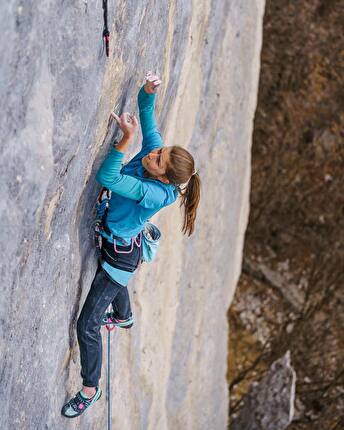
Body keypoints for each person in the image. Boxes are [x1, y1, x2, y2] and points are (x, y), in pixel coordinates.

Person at [61, 72, 201, 418]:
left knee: (87, 325)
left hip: (119, 258)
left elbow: (108, 178)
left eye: (159, 160)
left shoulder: (155, 193)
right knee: (115, 284)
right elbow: (147, 108)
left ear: (165, 178)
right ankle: (124, 317)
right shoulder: (156, 154)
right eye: (161, 151)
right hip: (122, 245)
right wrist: (149, 89)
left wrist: (124, 142)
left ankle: (90, 389)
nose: (153, 154)